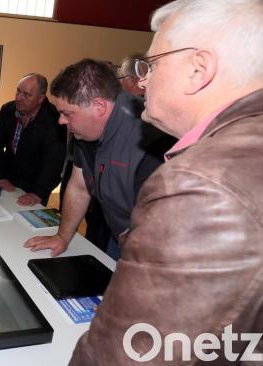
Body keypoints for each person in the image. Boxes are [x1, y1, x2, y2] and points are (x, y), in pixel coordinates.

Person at [66, 0, 263, 366]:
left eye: (152, 64)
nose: (142, 80)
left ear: (199, 69)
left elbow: (133, 357)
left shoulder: (204, 182)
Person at [23, 59, 172, 260]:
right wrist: (62, 237)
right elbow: (79, 186)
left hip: (157, 250)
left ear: (99, 107)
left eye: (67, 114)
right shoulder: (84, 130)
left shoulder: (151, 135)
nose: (61, 121)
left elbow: (165, 222)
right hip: (119, 237)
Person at [0, 73, 66, 206]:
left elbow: (54, 162)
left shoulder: (54, 120)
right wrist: (0, 176)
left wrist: (38, 192)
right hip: (7, 179)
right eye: (18, 91)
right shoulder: (8, 110)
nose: (19, 98)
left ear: (41, 98)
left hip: (35, 186)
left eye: (27, 95)